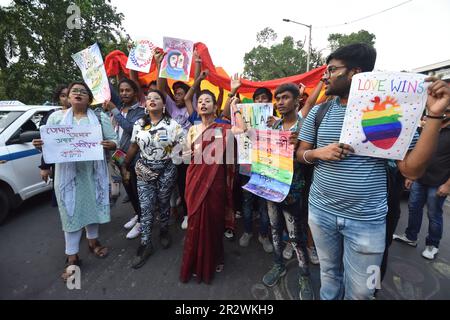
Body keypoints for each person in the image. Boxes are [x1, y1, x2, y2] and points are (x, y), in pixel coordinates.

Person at [297, 43, 450, 300]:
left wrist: (434, 117)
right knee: (329, 276)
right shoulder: (319, 111)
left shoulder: (386, 112)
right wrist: (317, 153)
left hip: (367, 223)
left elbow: (412, 170)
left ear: (355, 73)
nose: (325, 75)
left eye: (332, 69)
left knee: (363, 291)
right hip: (321, 214)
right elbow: (300, 153)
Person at [33, 82, 118, 280]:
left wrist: (110, 144)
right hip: (67, 176)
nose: (78, 94)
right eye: (74, 91)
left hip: (93, 174)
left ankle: (93, 242)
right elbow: (48, 147)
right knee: (70, 213)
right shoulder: (55, 118)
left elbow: (115, 140)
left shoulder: (99, 117)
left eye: (83, 91)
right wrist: (39, 145)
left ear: (89, 98)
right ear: (68, 97)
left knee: (93, 207)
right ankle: (72, 257)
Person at [179, 92, 246, 284]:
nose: (203, 104)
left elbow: (242, 129)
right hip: (194, 178)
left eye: (207, 101)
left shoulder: (222, 128)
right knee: (194, 221)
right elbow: (185, 156)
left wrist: (235, 107)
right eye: (199, 101)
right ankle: (194, 261)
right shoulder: (193, 129)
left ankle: (215, 257)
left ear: (215, 107)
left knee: (214, 222)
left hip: (215, 181)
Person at [261, 83, 314, 300]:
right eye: (278, 98)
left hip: (293, 190)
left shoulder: (305, 128)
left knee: (295, 236)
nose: (280, 102)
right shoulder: (274, 128)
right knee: (274, 229)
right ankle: (278, 264)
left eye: (284, 98)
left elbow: (310, 159)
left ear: (297, 101)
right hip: (271, 187)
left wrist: (298, 148)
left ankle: (304, 275)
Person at [122, 89, 184, 269]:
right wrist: (125, 163)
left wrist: (177, 157)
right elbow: (134, 145)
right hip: (144, 169)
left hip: (167, 169)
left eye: (156, 98)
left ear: (164, 104)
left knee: (164, 202)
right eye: (149, 98)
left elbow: (183, 146)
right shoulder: (139, 124)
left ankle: (164, 229)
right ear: (145, 104)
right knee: (146, 205)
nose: (152, 100)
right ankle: (145, 243)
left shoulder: (173, 125)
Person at [393, 108, 450, 260]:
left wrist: (448, 185)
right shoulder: (431, 127)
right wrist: (411, 175)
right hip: (420, 178)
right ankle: (410, 236)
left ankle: (432, 245)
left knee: (434, 214)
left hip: (438, 183)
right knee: (413, 207)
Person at [155, 49, 199, 231]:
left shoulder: (194, 103)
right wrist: (160, 65)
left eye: (182, 93)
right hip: (177, 152)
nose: (178, 95)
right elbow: (161, 89)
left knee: (194, 183)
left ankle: (196, 211)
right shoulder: (172, 108)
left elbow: (197, 84)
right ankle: (187, 213)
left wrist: (198, 63)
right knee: (181, 183)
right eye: (176, 93)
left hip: (195, 151)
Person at [103, 78, 145, 240]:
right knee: (128, 189)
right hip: (119, 156)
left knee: (136, 189)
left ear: (135, 92)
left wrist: (114, 111)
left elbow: (130, 128)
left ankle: (142, 221)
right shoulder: (120, 108)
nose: (124, 93)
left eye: (127, 90)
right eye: (121, 91)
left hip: (133, 158)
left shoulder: (141, 111)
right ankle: (137, 214)